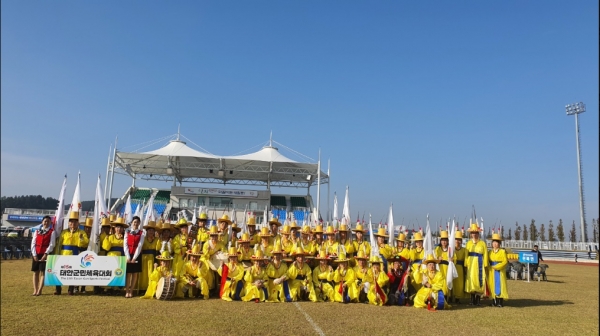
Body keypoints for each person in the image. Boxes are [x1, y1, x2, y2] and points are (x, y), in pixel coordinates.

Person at [55, 211, 89, 295]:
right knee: (60, 271)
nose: (73, 223)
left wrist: (80, 239)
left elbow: (85, 242)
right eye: (71, 221)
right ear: (69, 223)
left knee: (73, 272)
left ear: (78, 223)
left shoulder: (81, 232)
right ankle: (58, 289)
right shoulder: (64, 232)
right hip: (63, 254)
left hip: (75, 253)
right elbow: (59, 244)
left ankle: (71, 289)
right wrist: (57, 254)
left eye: (75, 222)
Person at [102, 216, 128, 295]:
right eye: (117, 227)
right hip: (111, 256)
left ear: (123, 229)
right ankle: (108, 288)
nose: (119, 229)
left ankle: (117, 289)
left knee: (118, 272)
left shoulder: (125, 238)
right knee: (110, 272)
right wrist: (107, 238)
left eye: (120, 227)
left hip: (121, 257)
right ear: (114, 228)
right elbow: (106, 248)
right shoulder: (110, 237)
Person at [31, 216, 55, 296]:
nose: (46, 223)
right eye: (45, 221)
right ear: (42, 222)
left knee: (43, 272)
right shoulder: (37, 231)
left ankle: (40, 290)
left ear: (50, 223)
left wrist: (46, 254)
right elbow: (33, 243)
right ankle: (35, 289)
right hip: (36, 253)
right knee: (35, 272)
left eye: (48, 221)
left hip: (45, 254)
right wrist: (34, 254)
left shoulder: (52, 232)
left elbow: (52, 244)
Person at [465, 223, 488, 306]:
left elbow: (485, 254)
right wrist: (466, 263)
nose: (474, 234)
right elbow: (466, 254)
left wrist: (485, 265)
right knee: (471, 280)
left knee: (479, 280)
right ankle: (472, 299)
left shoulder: (482, 243)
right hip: (471, 264)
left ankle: (478, 299)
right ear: (470, 234)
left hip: (479, 263)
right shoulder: (468, 243)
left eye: (475, 233)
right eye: (472, 233)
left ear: (478, 233)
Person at [124, 216, 145, 298]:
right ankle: (127, 291)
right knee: (128, 273)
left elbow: (140, 246)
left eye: (137, 222)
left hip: (137, 254)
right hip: (128, 254)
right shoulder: (127, 231)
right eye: (134, 222)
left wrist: (134, 258)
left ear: (139, 223)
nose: (135, 224)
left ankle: (131, 291)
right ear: (132, 223)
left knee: (135, 274)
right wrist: (128, 257)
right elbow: (125, 244)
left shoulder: (142, 233)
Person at [488, 233, 508, 307]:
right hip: (492, 271)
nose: (495, 244)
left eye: (497, 242)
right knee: (492, 285)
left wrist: (497, 266)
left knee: (500, 285)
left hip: (500, 271)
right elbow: (487, 261)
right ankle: (494, 301)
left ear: (499, 243)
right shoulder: (490, 252)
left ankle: (500, 302)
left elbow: (505, 261)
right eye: (494, 242)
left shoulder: (502, 252)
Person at [140, 219, 159, 294]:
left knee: (151, 273)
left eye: (152, 230)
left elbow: (158, 249)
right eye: (149, 230)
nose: (151, 232)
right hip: (144, 258)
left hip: (152, 257)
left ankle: (150, 288)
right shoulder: (143, 239)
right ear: (147, 231)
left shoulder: (157, 239)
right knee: (144, 273)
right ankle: (142, 288)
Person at [452, 229, 467, 304]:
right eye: (456, 239)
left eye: (459, 240)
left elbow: (466, 260)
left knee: (460, 283)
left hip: (460, 267)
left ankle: (458, 298)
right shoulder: (452, 249)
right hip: (453, 267)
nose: (457, 241)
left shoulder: (464, 250)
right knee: (453, 282)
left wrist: (465, 268)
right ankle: (452, 296)